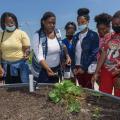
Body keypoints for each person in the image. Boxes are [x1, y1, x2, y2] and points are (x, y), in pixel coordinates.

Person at [32, 11, 71, 83]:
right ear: (43, 22)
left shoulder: (57, 32)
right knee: (42, 91)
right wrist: (48, 69)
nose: (52, 25)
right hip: (42, 70)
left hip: (56, 69)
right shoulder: (37, 36)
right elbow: (39, 56)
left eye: (54, 23)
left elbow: (62, 45)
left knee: (54, 91)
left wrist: (67, 56)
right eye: (49, 23)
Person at [92, 11, 120, 97]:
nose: (116, 26)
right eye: (114, 24)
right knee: (104, 96)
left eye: (118, 24)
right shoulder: (108, 36)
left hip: (118, 73)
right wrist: (96, 72)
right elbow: (103, 54)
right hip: (106, 72)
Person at [71, 8, 99, 88]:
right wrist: (73, 67)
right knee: (80, 89)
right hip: (77, 68)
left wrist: (83, 67)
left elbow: (94, 53)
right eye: (78, 23)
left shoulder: (93, 35)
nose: (80, 25)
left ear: (87, 21)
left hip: (87, 67)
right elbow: (73, 53)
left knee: (89, 89)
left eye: (82, 22)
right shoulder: (75, 36)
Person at [0, 12, 30, 84]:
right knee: (9, 91)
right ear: (3, 23)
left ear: (15, 22)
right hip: (7, 67)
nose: (11, 24)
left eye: (12, 22)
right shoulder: (1, 35)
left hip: (21, 66)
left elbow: (27, 48)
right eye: (8, 22)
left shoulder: (22, 33)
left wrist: (27, 52)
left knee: (23, 88)